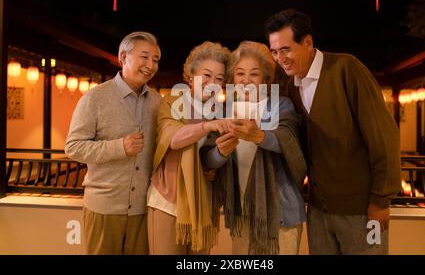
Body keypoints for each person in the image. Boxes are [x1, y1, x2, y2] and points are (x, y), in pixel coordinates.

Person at [264, 9, 401, 255]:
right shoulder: (291, 86)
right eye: (274, 51)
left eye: (286, 49)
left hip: (362, 211)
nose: (280, 58)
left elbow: (384, 137)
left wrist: (380, 201)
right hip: (318, 212)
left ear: (307, 42)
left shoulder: (347, 69)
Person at [203, 41, 307, 255]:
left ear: (266, 78)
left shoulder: (281, 105)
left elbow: (290, 142)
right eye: (240, 73)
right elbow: (209, 160)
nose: (246, 80)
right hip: (242, 212)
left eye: (254, 74)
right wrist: (221, 152)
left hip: (281, 213)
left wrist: (258, 135)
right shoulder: (225, 110)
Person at [65, 31, 162, 255]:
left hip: (143, 209)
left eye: (155, 60)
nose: (151, 65)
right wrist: (120, 147)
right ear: (123, 57)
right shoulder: (94, 98)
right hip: (103, 208)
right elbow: (73, 147)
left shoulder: (157, 102)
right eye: (144, 57)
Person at [147, 41, 231, 254]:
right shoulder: (172, 101)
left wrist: (221, 153)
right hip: (167, 201)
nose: (212, 83)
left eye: (219, 79)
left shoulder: (219, 110)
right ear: (191, 75)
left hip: (203, 203)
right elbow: (173, 138)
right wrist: (206, 126)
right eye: (207, 75)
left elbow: (208, 160)